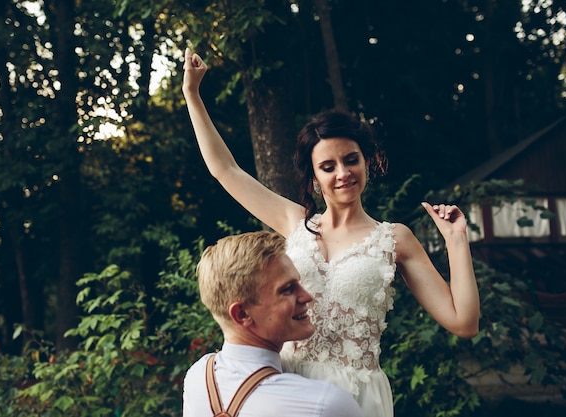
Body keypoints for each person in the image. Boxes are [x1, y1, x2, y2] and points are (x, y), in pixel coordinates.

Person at [182, 47, 480, 417]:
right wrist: (192, 95)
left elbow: (463, 323)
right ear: (315, 177)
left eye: (351, 159)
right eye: (328, 165)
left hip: (356, 396)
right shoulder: (295, 223)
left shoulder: (394, 239)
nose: (343, 173)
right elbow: (225, 170)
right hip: (284, 385)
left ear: (367, 162)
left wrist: (456, 241)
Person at [182, 231, 365, 417]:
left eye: (298, 284)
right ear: (242, 314)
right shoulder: (324, 404)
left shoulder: (197, 376)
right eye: (287, 289)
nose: (307, 296)